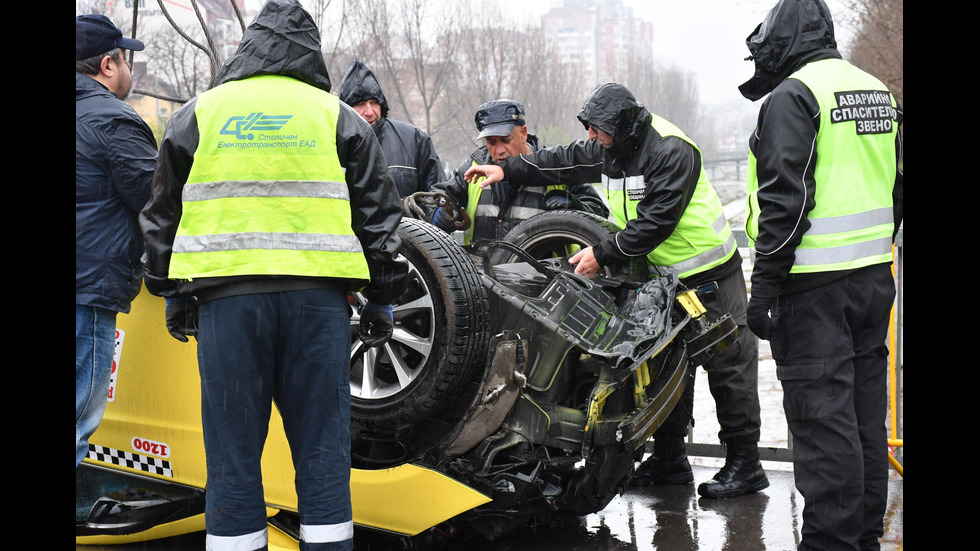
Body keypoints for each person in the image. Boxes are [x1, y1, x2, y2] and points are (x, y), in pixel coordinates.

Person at [139, 1, 408, 549]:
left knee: (233, 451)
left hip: (227, 306)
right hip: (319, 306)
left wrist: (170, 291)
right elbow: (381, 218)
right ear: (310, 53)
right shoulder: (339, 117)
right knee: (321, 448)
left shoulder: (199, 113)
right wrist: (381, 298)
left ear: (248, 48)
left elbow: (162, 212)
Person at [464, 83, 768, 499]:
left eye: (597, 131)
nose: (591, 138)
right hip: (662, 283)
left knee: (730, 369)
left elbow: (657, 221)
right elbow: (564, 161)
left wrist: (604, 254)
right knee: (664, 375)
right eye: (589, 130)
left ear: (622, 127)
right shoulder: (610, 145)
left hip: (709, 275)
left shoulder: (671, 150)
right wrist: (509, 169)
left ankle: (745, 466)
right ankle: (670, 462)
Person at [739, 0, 903, 548]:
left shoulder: (795, 95)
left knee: (823, 427)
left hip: (813, 290)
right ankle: (862, 539)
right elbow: (896, 189)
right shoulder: (876, 91)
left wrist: (764, 287)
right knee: (862, 424)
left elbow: (785, 202)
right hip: (874, 279)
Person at [76, 13, 157, 468]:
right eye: (126, 59)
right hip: (85, 294)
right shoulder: (112, 122)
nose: (130, 69)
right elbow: (161, 204)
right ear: (108, 65)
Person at [429, 99, 608, 255]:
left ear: (523, 133)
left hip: (544, 287)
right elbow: (434, 199)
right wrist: (438, 212)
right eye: (491, 142)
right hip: (483, 284)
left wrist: (576, 208)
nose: (499, 151)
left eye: (506, 140)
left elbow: (600, 217)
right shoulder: (472, 168)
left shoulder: (555, 167)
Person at [338, 59, 444, 198]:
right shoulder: (332, 143)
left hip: (406, 220)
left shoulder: (413, 140)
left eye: (374, 102)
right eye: (360, 104)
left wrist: (437, 210)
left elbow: (438, 191)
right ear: (346, 109)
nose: (369, 112)